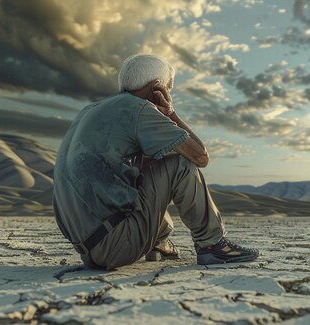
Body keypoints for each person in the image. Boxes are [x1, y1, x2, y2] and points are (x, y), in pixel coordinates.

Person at [52, 54, 259, 269]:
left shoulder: (92, 110)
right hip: (117, 246)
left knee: (147, 168)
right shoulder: (139, 109)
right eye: (168, 87)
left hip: (89, 249)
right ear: (158, 87)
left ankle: (158, 244)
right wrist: (171, 113)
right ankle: (212, 245)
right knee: (180, 164)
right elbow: (199, 156)